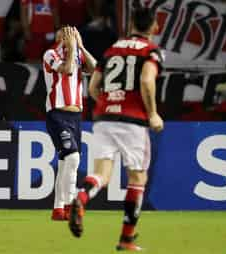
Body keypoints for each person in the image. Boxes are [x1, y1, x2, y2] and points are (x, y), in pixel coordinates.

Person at [68, 7, 164, 251]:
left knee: (101, 175)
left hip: (103, 117)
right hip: (133, 121)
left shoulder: (112, 50)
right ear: (155, 27)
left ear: (130, 24)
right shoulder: (151, 51)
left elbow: (93, 87)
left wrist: (110, 101)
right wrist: (152, 114)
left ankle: (81, 198)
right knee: (137, 178)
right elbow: (146, 80)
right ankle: (126, 238)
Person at [43, 26, 96, 220]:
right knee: (72, 158)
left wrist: (80, 46)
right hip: (57, 114)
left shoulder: (78, 54)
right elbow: (67, 70)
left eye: (72, 32)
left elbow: (94, 67)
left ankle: (58, 209)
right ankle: (70, 205)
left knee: (66, 161)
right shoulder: (50, 54)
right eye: (65, 33)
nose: (69, 35)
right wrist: (73, 47)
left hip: (76, 116)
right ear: (58, 37)